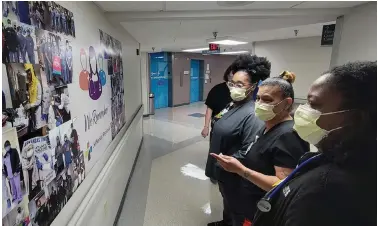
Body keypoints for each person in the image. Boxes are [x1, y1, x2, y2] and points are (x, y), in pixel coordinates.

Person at [251, 61, 377, 226]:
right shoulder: (337, 158)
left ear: (354, 119)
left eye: (313, 104)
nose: (300, 111)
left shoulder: (325, 192)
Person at [211, 71, 310, 225]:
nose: (259, 103)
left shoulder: (288, 136)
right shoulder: (267, 127)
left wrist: (241, 170)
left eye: (267, 99)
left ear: (287, 103)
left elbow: (283, 184)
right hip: (248, 201)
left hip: (264, 210)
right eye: (257, 98)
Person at [206, 55, 271, 226]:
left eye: (240, 85)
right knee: (227, 202)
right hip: (222, 170)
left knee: (237, 208)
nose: (234, 88)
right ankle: (226, 222)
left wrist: (225, 163)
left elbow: (249, 149)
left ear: (253, 87)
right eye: (232, 83)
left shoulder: (252, 114)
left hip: (233, 174)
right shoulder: (231, 105)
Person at [202, 65, 232, 183]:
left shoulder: (243, 93)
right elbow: (209, 109)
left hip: (235, 128)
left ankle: (228, 172)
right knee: (215, 150)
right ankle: (214, 174)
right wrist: (206, 126)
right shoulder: (217, 89)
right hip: (218, 127)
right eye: (231, 75)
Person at [24, 66, 43, 131]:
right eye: (27, 75)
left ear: (33, 74)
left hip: (37, 109)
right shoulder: (30, 84)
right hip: (32, 109)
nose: (28, 76)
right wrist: (28, 103)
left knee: (38, 126)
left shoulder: (37, 84)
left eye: (29, 74)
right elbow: (30, 96)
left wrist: (30, 105)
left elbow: (38, 101)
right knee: (33, 126)